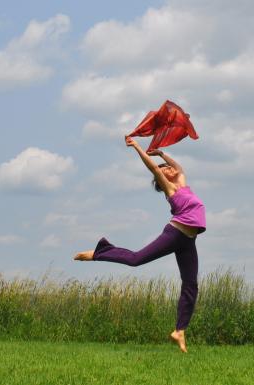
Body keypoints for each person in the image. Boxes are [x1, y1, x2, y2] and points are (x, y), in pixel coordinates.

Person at [73, 136, 206, 353]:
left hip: (188, 241)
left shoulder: (183, 185)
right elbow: (153, 168)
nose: (169, 169)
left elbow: (179, 167)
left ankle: (179, 331)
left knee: (190, 284)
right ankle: (100, 252)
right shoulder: (171, 191)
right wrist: (137, 147)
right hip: (175, 234)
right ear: (163, 177)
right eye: (165, 169)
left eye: (168, 168)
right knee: (136, 259)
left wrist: (162, 153)